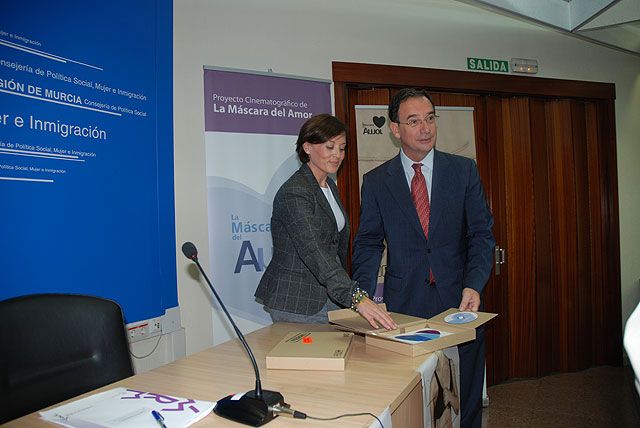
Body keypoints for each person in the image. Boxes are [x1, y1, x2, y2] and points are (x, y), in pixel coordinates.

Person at [351, 88, 494, 428]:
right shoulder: (375, 181)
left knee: (469, 388)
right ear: (395, 129)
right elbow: (369, 242)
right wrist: (362, 297)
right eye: (414, 121)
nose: (425, 128)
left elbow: (481, 234)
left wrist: (474, 285)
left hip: (460, 301)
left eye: (430, 119)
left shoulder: (463, 170)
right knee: (413, 393)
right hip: (405, 303)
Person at [255, 114, 396, 330]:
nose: (337, 155)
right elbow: (315, 250)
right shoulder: (295, 192)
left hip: (329, 296)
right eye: (330, 147)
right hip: (297, 302)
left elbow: (334, 250)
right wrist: (356, 297)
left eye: (342, 148)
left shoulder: (329, 187)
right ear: (307, 148)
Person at [430, 350, 460, 428]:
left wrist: (450, 397)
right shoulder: (434, 381)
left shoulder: (450, 364)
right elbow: (432, 423)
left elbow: (457, 409)